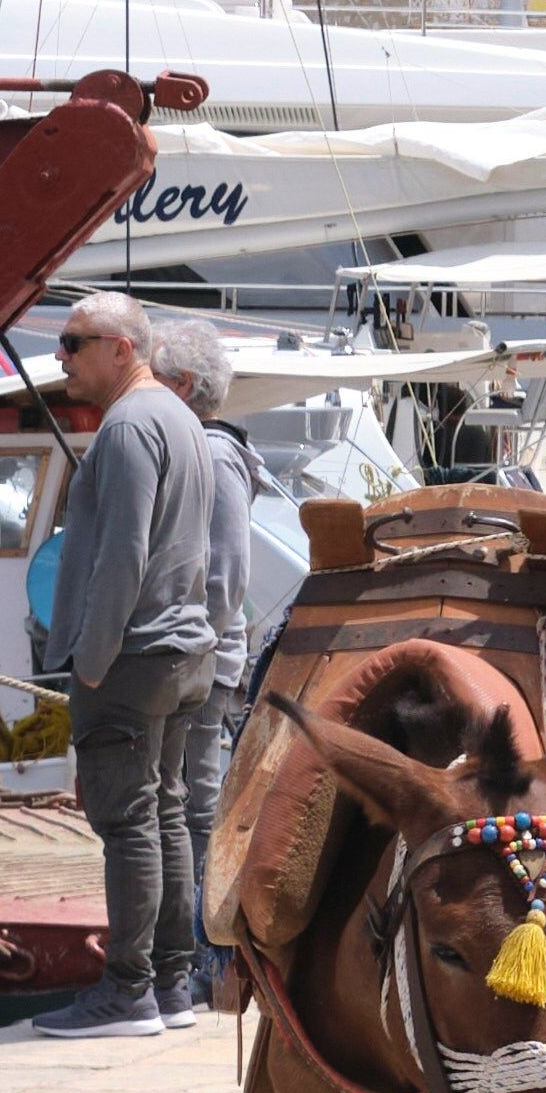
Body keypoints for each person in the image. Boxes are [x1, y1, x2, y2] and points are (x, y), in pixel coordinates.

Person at [29, 293, 219, 1043]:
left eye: (73, 342)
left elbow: (123, 555)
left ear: (117, 346)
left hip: (135, 655)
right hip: (180, 651)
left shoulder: (133, 425)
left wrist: (95, 658)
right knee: (163, 812)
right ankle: (172, 982)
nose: (61, 357)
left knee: (129, 819)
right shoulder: (178, 419)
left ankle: (128, 988)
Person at [162, 360, 316, 1022]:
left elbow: (224, 575)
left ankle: (206, 964)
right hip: (202, 658)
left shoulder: (217, 458)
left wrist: (195, 644)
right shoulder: (210, 453)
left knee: (199, 812)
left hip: (202, 663)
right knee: (195, 808)